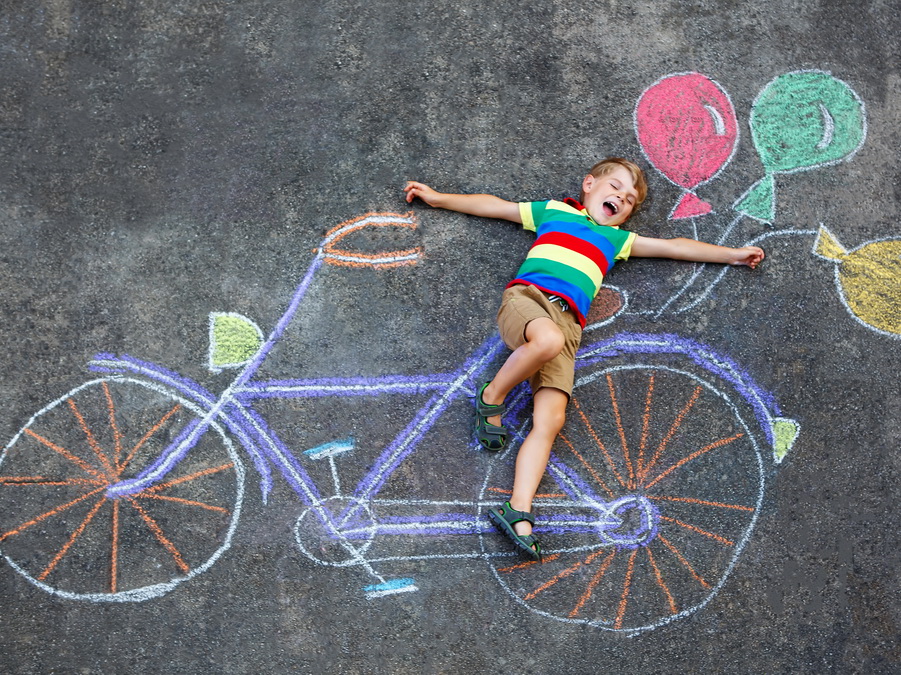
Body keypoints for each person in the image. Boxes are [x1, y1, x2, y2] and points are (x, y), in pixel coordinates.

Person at [403, 158, 764, 561]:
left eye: (629, 200)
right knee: (546, 340)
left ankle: (517, 510)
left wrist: (731, 255)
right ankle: (492, 395)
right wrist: (437, 199)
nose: (621, 199)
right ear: (589, 185)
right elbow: (495, 205)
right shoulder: (554, 212)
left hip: (569, 325)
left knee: (551, 418)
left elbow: (674, 248)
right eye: (615, 188)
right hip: (528, 302)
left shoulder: (617, 241)